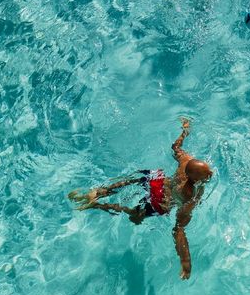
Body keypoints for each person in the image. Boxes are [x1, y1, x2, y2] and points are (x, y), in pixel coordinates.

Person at [68, 118, 212, 280]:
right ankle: (96, 206)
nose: (211, 174)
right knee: (132, 213)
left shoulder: (185, 162)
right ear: (197, 180)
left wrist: (185, 131)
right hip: (161, 200)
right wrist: (185, 261)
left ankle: (98, 193)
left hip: (157, 180)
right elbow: (178, 228)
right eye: (207, 174)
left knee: (132, 181)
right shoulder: (191, 195)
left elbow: (175, 147)